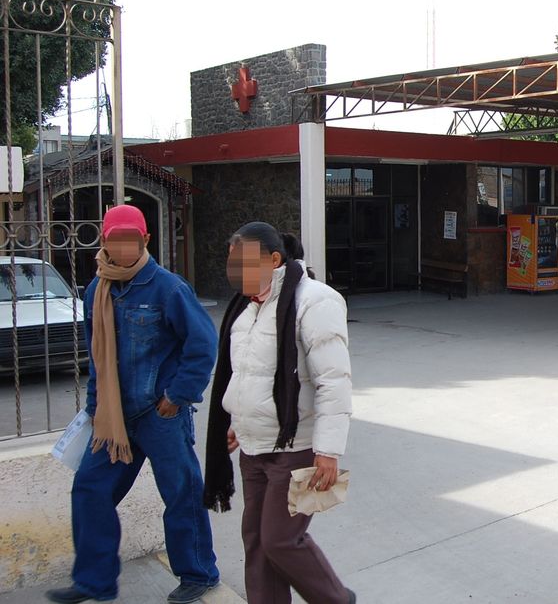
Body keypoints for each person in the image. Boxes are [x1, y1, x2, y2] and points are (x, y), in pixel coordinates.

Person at [46, 205, 220, 604]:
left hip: (161, 415)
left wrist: (176, 397)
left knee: (181, 493)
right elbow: (97, 357)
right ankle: (94, 582)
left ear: (145, 240)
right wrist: (95, 407)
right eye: (115, 239)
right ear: (104, 241)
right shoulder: (97, 290)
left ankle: (198, 573)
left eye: (131, 239)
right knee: (90, 489)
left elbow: (202, 345)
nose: (123, 247)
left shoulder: (168, 288)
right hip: (114, 419)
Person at [204, 223, 356, 604]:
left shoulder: (314, 301)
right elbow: (245, 374)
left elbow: (333, 381)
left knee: (281, 540)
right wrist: (239, 419)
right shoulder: (244, 308)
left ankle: (337, 599)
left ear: (274, 259)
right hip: (254, 447)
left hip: (296, 446)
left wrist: (328, 450)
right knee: (257, 542)